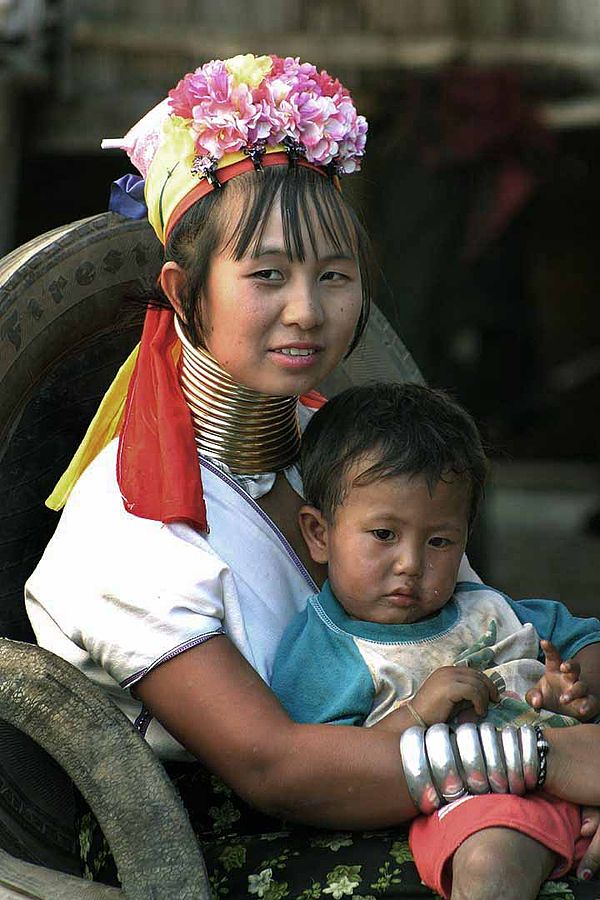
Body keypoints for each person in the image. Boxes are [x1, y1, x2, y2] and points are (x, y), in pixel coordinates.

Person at [23, 54, 600, 898]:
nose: (307, 309)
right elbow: (275, 770)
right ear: (185, 293)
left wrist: (562, 698)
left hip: (434, 785)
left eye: (333, 274)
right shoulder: (132, 521)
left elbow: (480, 628)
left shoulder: (348, 452)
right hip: (228, 837)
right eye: (266, 275)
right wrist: (543, 763)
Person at [270, 381, 600, 899]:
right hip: (482, 809)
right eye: (383, 535)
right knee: (491, 860)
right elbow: (326, 773)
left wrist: (577, 689)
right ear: (319, 534)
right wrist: (418, 713)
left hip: (576, 766)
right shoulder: (329, 650)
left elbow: (586, 640)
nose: (411, 564)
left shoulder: (483, 605)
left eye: (439, 541)